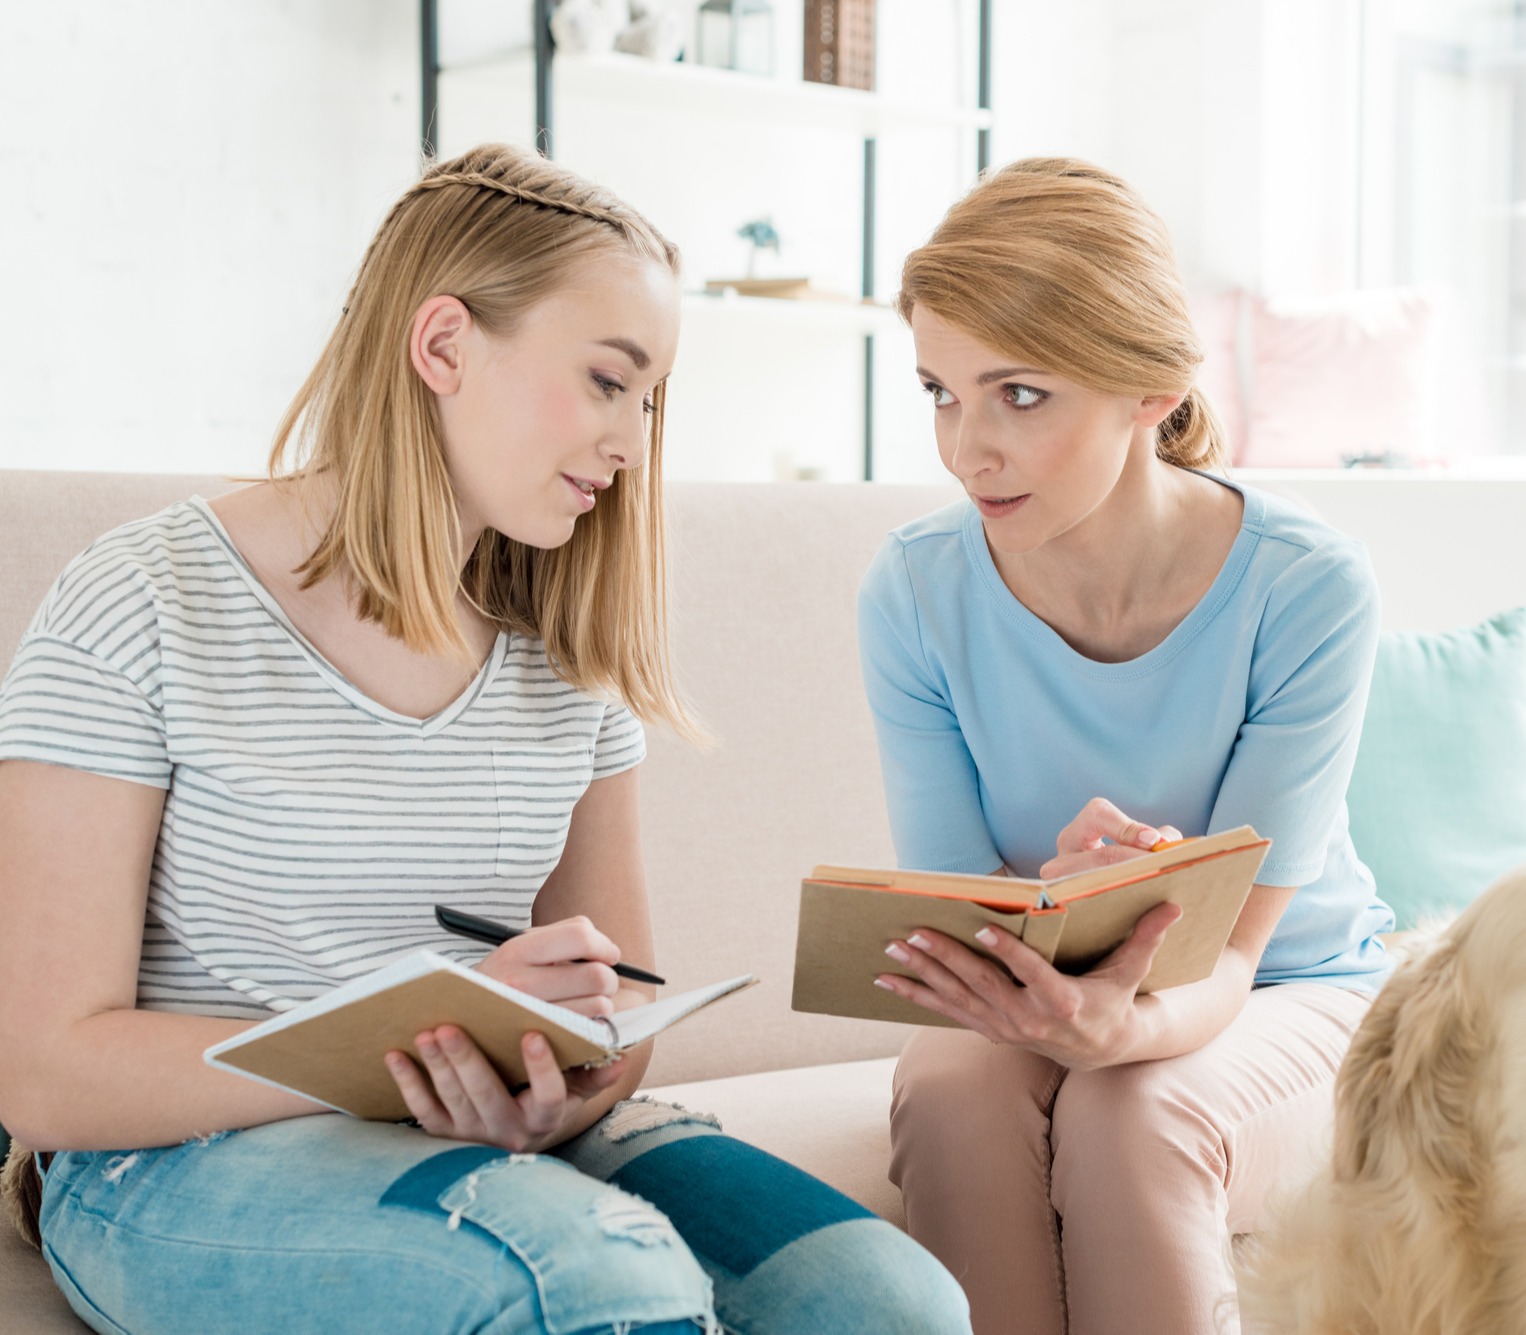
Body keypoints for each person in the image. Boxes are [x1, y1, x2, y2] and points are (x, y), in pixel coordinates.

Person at [0, 143, 971, 1335]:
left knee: (888, 1302)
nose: (632, 444)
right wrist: (404, 1040)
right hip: (171, 1160)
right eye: (609, 382)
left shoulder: (562, 652)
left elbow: (619, 1022)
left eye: (650, 400)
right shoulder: (143, 602)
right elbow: (44, 1070)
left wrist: (552, 1093)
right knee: (598, 1280)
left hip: (478, 1138)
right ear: (444, 345)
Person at [856, 157, 1397, 1335]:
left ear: (1148, 388)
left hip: (1291, 984)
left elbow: (1237, 952)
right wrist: (1057, 931)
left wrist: (1123, 1027)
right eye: (939, 393)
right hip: (1039, 974)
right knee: (949, 1087)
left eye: (1019, 395)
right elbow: (968, 906)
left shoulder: (1304, 590)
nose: (966, 449)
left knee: (1131, 1115)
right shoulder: (913, 591)